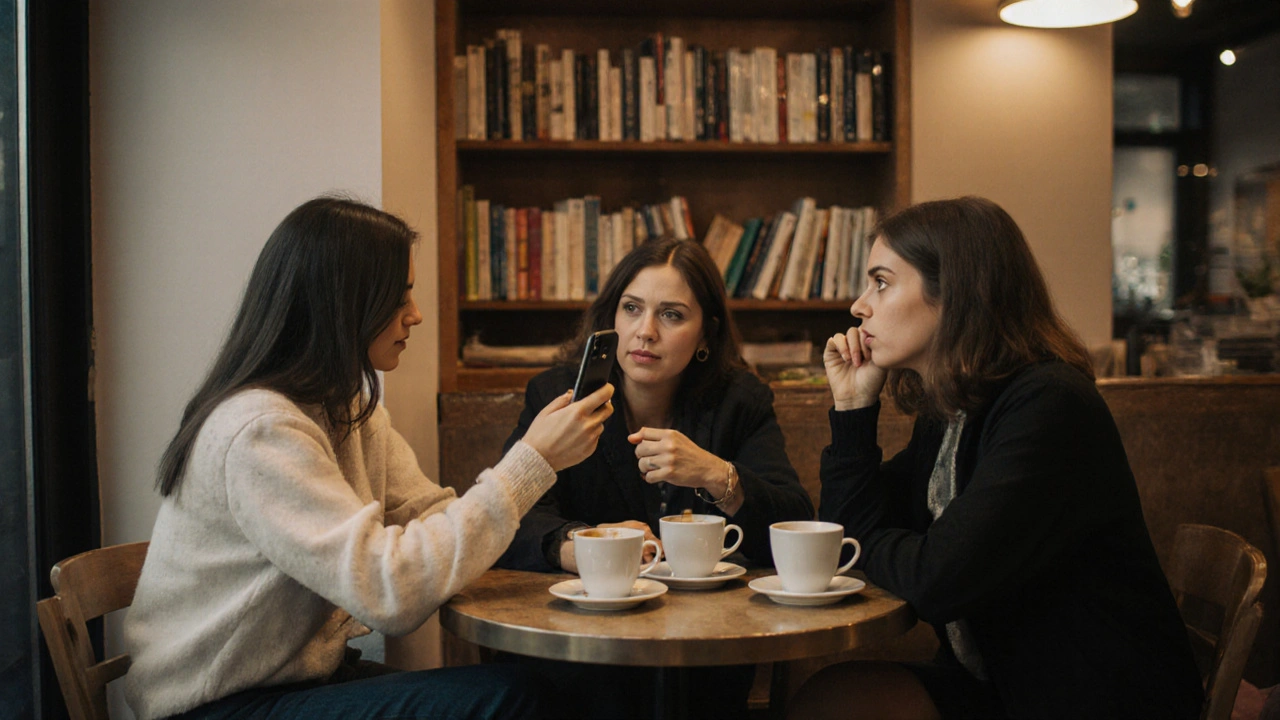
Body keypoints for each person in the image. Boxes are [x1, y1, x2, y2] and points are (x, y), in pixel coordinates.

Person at [122, 197, 614, 720]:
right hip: (216, 704)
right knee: (516, 699)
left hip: (295, 682)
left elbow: (427, 515)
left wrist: (572, 541)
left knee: (558, 686)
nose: (417, 314)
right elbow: (389, 593)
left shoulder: (348, 408)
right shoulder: (260, 431)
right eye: (399, 297)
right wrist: (531, 461)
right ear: (343, 304)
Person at [789, 197, 1203, 720]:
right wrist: (852, 407)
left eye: (882, 282)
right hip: (1002, 684)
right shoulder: (956, 405)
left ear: (954, 292)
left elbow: (936, 581)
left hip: (1091, 696)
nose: (859, 305)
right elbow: (847, 533)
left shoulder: (1050, 404)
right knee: (831, 700)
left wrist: (871, 541)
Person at [497, 235, 814, 719]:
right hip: (584, 650)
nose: (645, 332)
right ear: (611, 319)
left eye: (671, 315)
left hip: (706, 649)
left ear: (705, 333)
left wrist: (714, 472)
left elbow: (792, 522)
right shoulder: (559, 396)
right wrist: (583, 546)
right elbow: (506, 514)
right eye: (631, 309)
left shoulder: (739, 401)